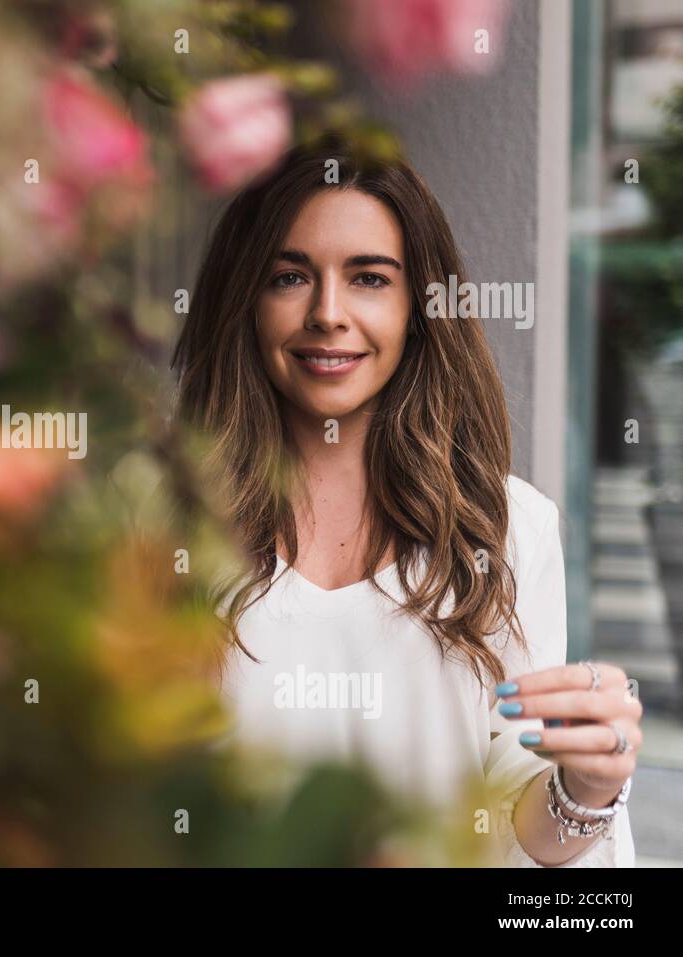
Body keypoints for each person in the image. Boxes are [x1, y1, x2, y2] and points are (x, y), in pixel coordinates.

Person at [172, 142, 640, 866]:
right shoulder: (160, 520)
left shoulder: (509, 528)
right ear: (244, 300)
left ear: (420, 308)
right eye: (290, 276)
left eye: (368, 279)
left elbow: (522, 825)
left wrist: (587, 788)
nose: (328, 314)